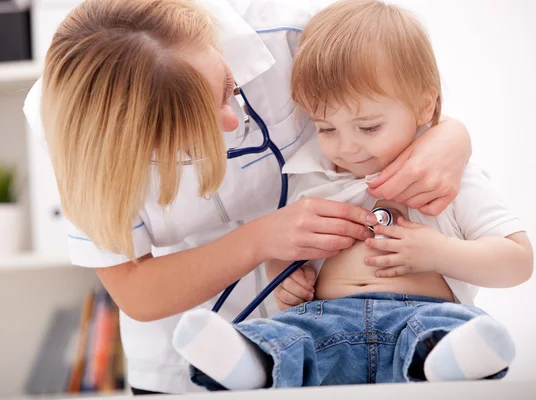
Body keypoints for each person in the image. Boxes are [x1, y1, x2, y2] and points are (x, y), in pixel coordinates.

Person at [24, 0, 475, 394]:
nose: (228, 121)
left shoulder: (293, 35)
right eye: (190, 129)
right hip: (180, 356)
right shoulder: (75, 125)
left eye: (225, 87)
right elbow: (134, 289)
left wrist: (452, 136)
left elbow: (400, 103)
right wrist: (262, 241)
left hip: (331, 338)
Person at [172, 0, 534, 390]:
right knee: (290, 333)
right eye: (326, 129)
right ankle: (253, 362)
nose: (346, 148)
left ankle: (444, 361)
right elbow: (287, 248)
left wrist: (438, 252)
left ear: (424, 105)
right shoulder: (308, 175)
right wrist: (282, 273)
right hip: (327, 321)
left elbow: (517, 261)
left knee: (454, 329)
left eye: (369, 126)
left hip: (423, 315)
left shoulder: (446, 177)